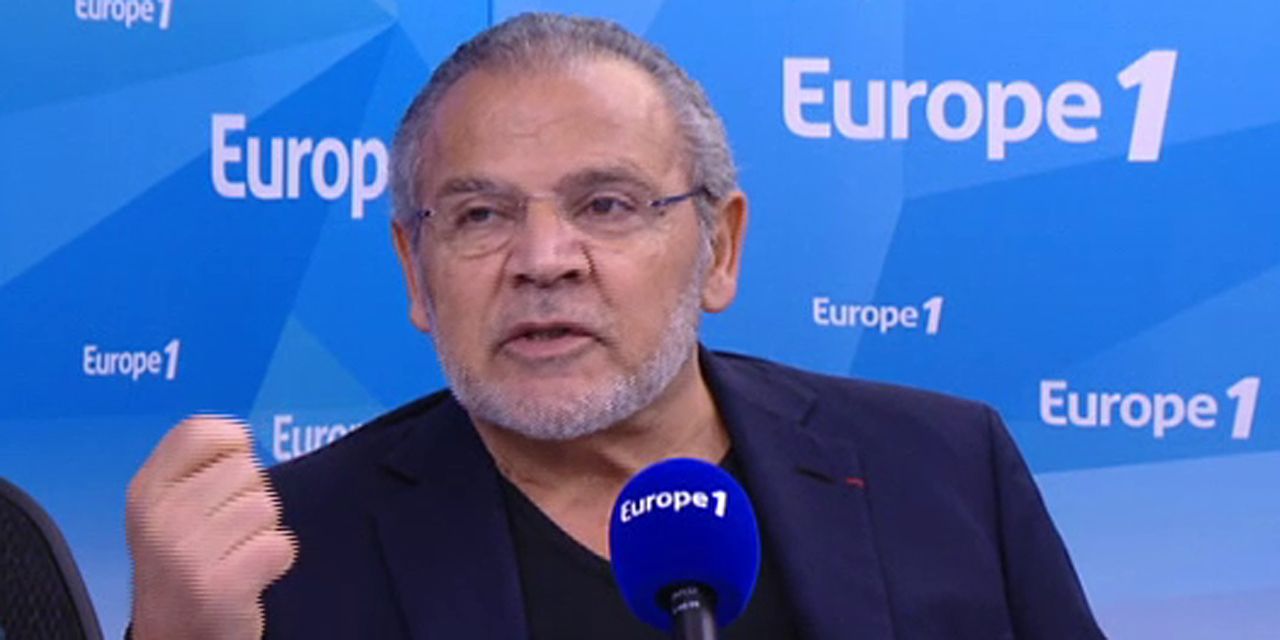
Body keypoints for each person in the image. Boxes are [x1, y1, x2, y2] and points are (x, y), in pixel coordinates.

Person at [125, 13, 1106, 640]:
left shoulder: (943, 470)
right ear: (414, 272)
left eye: (606, 204)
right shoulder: (288, 551)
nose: (543, 258)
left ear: (719, 249)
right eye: (480, 215)